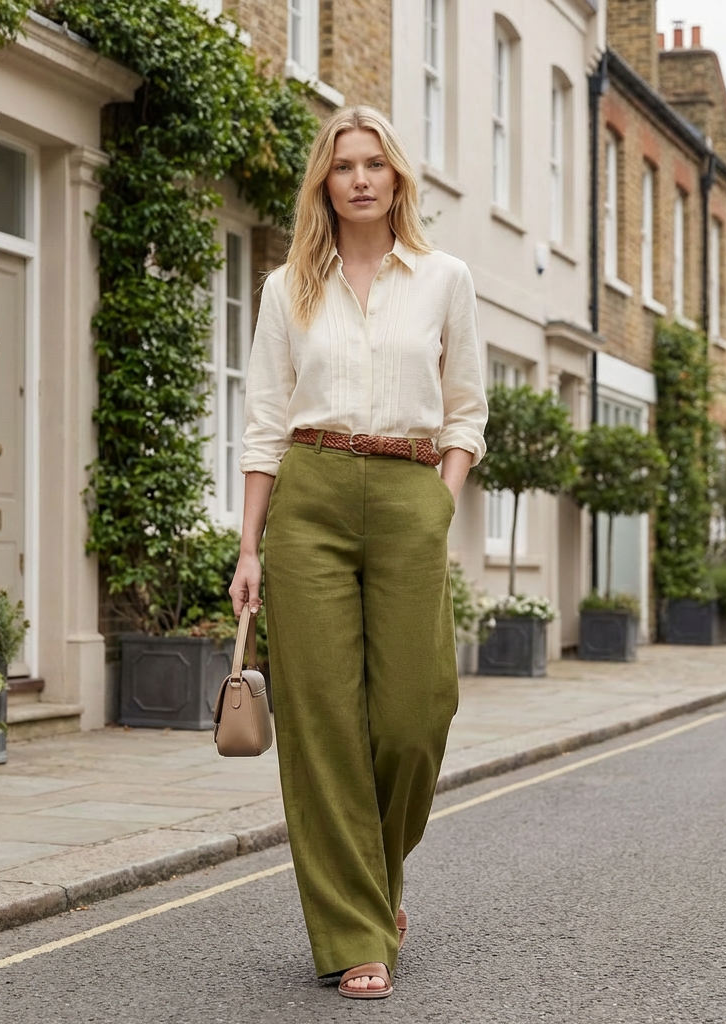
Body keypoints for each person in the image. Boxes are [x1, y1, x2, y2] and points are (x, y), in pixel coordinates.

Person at [228, 105, 487, 1000]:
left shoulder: (444, 277)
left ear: (398, 178)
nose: (363, 178)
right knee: (323, 726)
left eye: (377, 164)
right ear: (325, 184)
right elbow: (263, 423)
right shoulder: (286, 287)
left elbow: (467, 410)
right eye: (346, 167)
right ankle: (355, 933)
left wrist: (438, 504)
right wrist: (249, 547)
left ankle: (371, 882)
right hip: (311, 496)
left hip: (411, 491)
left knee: (417, 715)